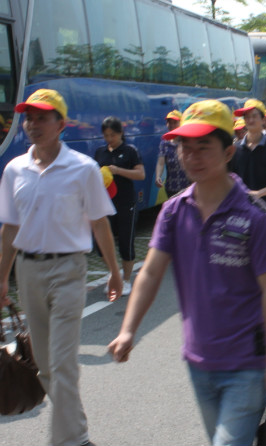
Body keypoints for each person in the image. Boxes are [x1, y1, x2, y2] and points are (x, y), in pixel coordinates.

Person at [107, 99, 266, 446]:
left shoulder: (256, 217)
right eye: (184, 147)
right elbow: (150, 273)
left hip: (249, 364)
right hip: (198, 360)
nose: (191, 156)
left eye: (203, 147)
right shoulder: (174, 211)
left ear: (227, 152)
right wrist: (128, 329)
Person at [0, 89, 123, 446]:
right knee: (46, 368)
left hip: (68, 271)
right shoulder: (14, 170)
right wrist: (2, 278)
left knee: (63, 362)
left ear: (61, 124)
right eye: (29, 117)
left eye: (42, 117)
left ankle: (68, 442)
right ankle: (79, 435)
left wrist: (114, 271)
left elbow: (99, 223)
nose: (33, 124)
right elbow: (9, 228)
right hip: (27, 272)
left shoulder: (82, 169)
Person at [95, 116, 146, 296]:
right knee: (100, 244)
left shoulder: (130, 150)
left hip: (126, 204)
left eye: (113, 135)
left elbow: (141, 174)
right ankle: (114, 273)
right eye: (106, 135)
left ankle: (125, 280)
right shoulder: (101, 152)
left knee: (126, 244)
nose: (109, 139)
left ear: (121, 133)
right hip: (105, 205)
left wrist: (118, 171)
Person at [230, 99, 266, 219]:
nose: (250, 120)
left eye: (254, 116)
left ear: (263, 120)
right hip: (240, 211)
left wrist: (259, 194)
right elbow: (228, 178)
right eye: (246, 117)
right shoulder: (235, 149)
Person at [155, 110, 191, 197]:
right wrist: (158, 177)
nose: (171, 125)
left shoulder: (188, 141)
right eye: (169, 122)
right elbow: (160, 163)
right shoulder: (164, 143)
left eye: (175, 122)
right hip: (171, 187)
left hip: (188, 186)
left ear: (181, 123)